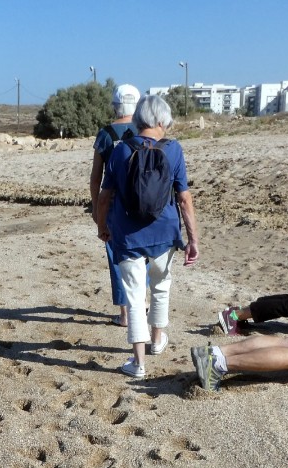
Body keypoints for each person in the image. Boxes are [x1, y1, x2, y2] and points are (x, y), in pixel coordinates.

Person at [96, 95, 200, 378]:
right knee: (161, 287)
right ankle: (157, 340)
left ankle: (138, 364)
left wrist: (101, 226)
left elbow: (105, 196)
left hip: (128, 235)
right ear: (159, 121)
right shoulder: (174, 150)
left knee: (133, 296)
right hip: (165, 233)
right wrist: (193, 240)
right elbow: (184, 199)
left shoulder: (119, 151)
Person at [91, 84, 140, 327]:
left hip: (113, 206)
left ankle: (125, 314)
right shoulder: (146, 130)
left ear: (115, 105)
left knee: (117, 258)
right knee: (143, 255)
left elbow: (96, 176)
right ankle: (141, 305)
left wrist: (94, 206)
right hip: (143, 204)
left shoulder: (106, 134)